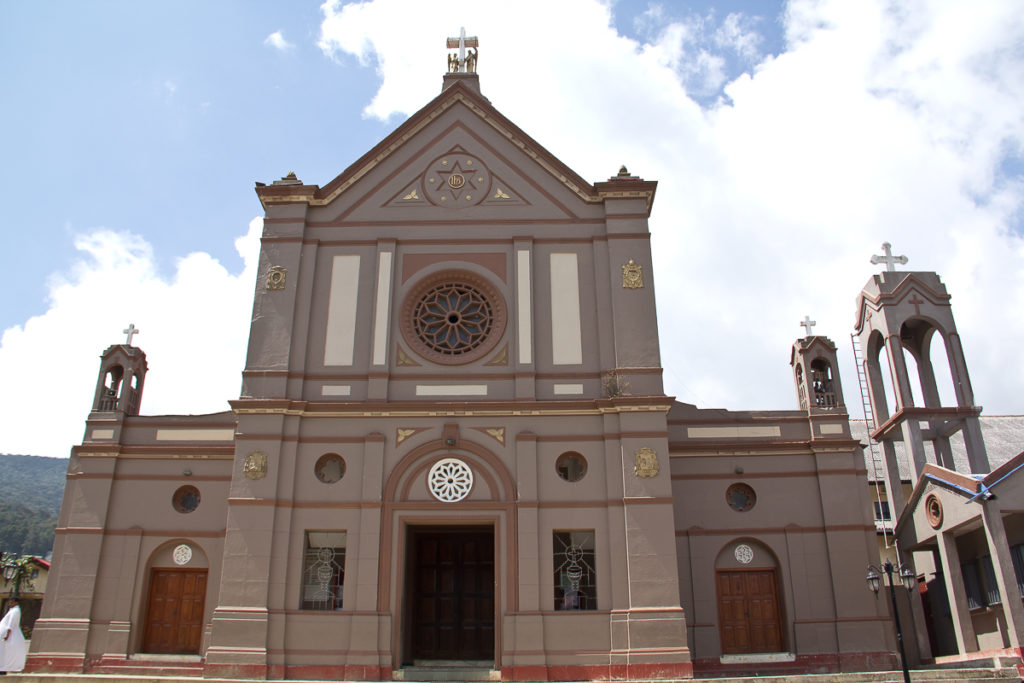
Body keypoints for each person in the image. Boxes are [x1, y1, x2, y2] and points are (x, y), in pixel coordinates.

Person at [0, 598, 26, 673]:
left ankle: (4, 668)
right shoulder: (12, 610)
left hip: (9, 635)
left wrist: (7, 634)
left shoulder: (15, 611)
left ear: (16, 602)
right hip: (5, 634)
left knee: (6, 652)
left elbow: (11, 623)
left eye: (11, 602)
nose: (9, 604)